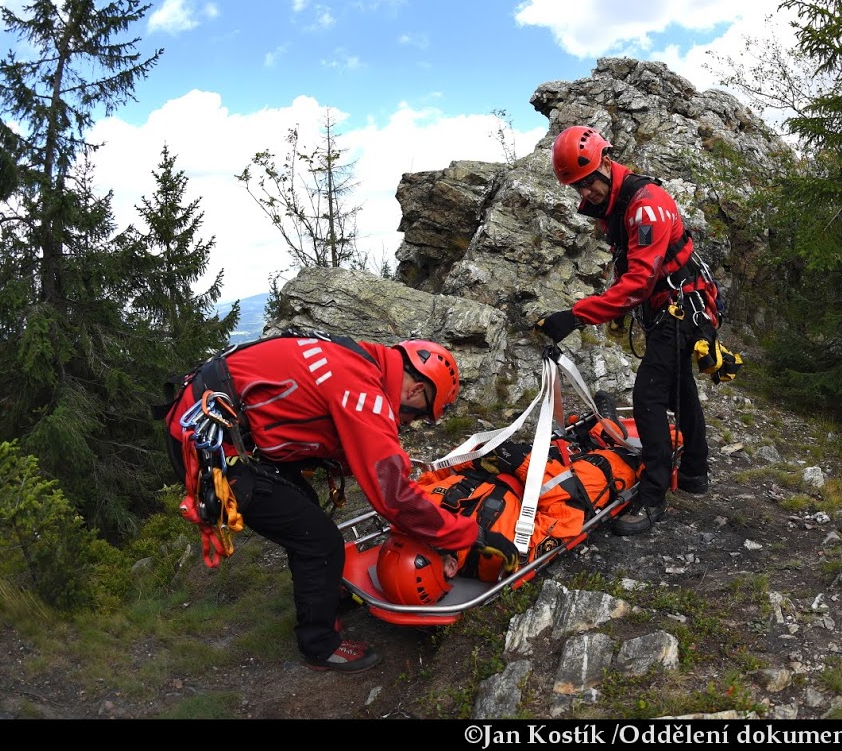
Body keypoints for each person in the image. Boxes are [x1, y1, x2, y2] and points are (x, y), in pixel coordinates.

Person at [164, 335, 510, 672]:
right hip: (212, 442)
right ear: (417, 390)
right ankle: (320, 646)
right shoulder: (363, 390)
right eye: (420, 415)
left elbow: (340, 435)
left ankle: (325, 595)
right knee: (318, 540)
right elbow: (393, 496)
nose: (411, 422)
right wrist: (467, 535)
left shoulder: (359, 362)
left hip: (220, 422)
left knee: (305, 510)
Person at [533, 126, 719, 536]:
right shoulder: (617, 204)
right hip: (670, 306)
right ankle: (694, 473)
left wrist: (576, 315)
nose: (585, 195)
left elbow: (637, 282)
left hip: (681, 307)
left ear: (604, 161)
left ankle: (653, 498)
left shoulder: (645, 205)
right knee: (679, 389)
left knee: (649, 396)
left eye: (588, 184)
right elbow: (633, 273)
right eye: (576, 188)